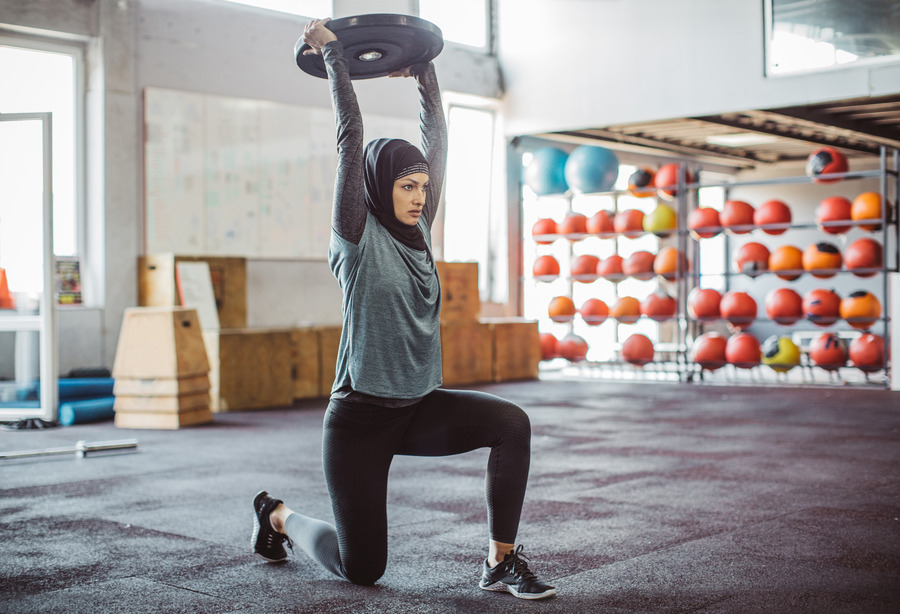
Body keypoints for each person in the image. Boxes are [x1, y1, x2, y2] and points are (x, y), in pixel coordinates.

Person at [250, 18, 556, 601]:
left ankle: (500, 561)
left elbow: (436, 138)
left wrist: (425, 71)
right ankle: (277, 517)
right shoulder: (355, 237)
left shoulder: (421, 232)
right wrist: (336, 58)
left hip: (417, 407)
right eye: (406, 186)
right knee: (364, 569)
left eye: (422, 187)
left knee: (511, 424)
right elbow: (350, 138)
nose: (419, 197)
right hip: (359, 421)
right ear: (377, 185)